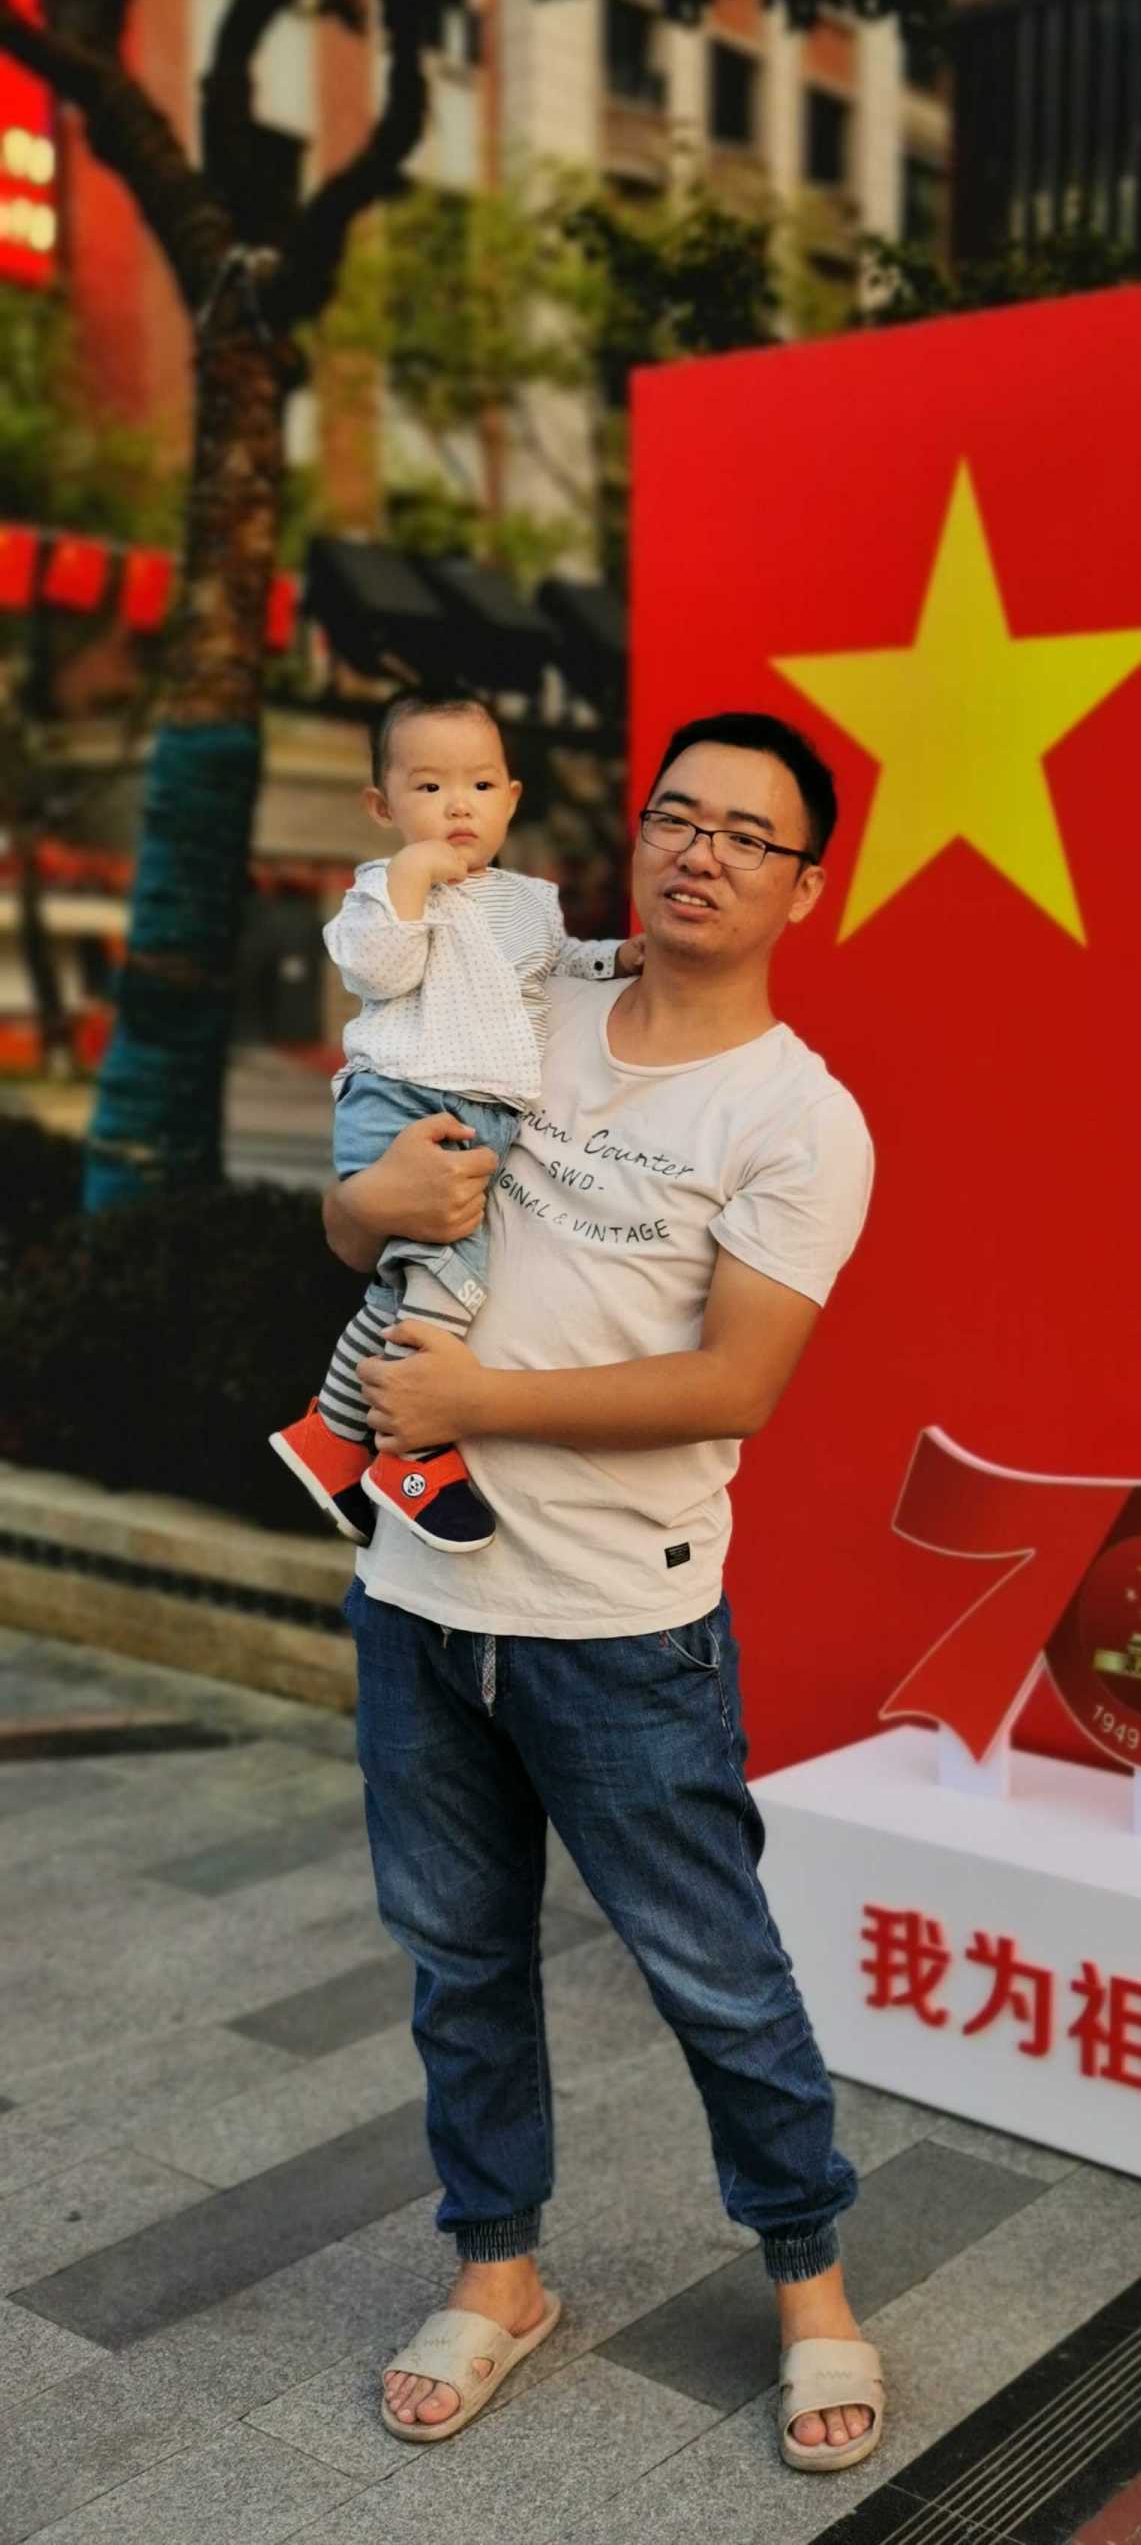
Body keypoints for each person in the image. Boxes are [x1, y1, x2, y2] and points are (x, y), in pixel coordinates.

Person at [321, 711, 882, 2466]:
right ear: (634, 834)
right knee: (458, 1964)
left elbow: (738, 1385)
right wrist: (368, 1199)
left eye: (747, 835)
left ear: (804, 885)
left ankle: (812, 2285)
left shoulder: (799, 1119)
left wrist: (476, 1403)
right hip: (419, 1593)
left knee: (715, 1974)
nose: (701, 852)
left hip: (622, 1628)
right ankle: (497, 2273)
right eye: (676, 816)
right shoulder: (518, 987)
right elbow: (359, 1218)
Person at [273, 690, 640, 1556]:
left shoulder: (528, 900)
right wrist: (411, 878)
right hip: (404, 1100)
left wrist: (616, 958)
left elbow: (554, 967)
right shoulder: (381, 891)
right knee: (452, 1280)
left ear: (511, 799)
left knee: (409, 1285)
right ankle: (412, 1451)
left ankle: (332, 1434)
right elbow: (378, 973)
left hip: (481, 1108)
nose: (457, 807)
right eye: (430, 788)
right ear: (383, 807)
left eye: (478, 786)